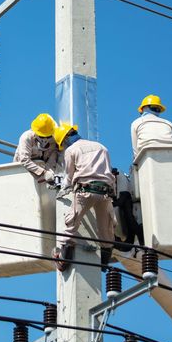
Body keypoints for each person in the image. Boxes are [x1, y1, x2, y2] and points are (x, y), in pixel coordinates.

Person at [53, 135, 116, 271]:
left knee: (71, 225)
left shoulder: (72, 150)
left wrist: (62, 187)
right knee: (106, 232)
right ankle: (104, 263)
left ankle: (63, 259)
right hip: (104, 193)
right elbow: (108, 171)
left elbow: (69, 177)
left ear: (64, 141)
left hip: (85, 191)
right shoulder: (101, 147)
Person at [13, 113, 59, 184]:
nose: (45, 139)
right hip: (22, 171)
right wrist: (43, 172)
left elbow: (52, 159)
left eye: (48, 136)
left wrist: (50, 172)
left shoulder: (53, 141)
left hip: (42, 175)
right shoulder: (26, 137)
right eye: (42, 136)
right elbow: (24, 160)